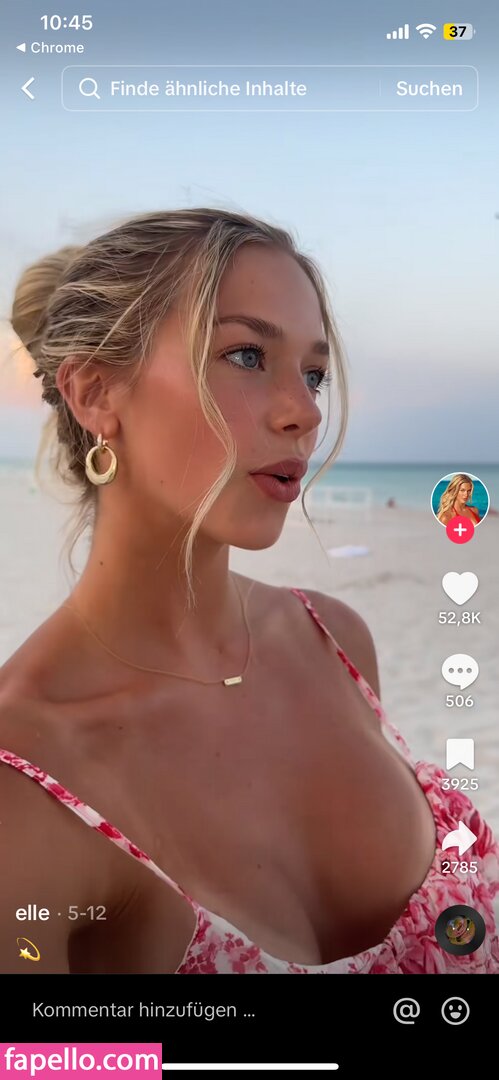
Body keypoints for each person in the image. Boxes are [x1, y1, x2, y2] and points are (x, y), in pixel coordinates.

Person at [0, 208, 497, 975]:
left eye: (313, 373)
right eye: (245, 355)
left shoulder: (331, 639)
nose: (305, 411)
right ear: (96, 393)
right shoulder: (27, 784)